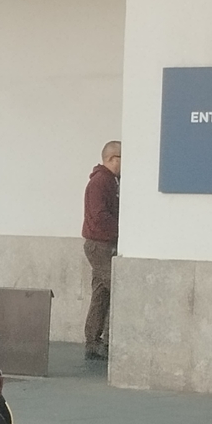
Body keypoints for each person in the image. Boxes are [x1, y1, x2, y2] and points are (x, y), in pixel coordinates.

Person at [81, 140, 120, 360]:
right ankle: (104, 341)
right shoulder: (101, 182)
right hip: (100, 245)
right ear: (112, 159)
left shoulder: (110, 181)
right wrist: (120, 229)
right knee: (116, 289)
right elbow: (99, 214)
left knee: (101, 293)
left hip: (101, 244)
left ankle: (92, 341)